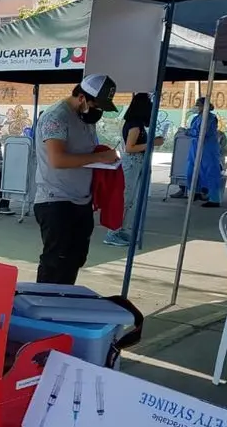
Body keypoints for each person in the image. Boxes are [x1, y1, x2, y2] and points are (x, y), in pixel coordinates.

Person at [33, 74, 120, 285]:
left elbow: (84, 152)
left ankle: (65, 298)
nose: (98, 111)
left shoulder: (85, 118)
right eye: (95, 105)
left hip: (81, 199)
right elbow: (57, 159)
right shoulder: (56, 117)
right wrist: (100, 158)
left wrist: (104, 158)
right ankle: (44, 302)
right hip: (56, 200)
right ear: (82, 97)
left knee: (75, 259)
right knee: (56, 262)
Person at [103, 93, 164, 246]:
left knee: (129, 200)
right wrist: (152, 142)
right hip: (132, 163)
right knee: (125, 199)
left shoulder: (136, 124)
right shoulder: (135, 125)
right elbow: (130, 148)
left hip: (136, 163)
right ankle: (112, 232)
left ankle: (120, 229)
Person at [186, 97, 224, 209]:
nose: (196, 107)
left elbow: (202, 132)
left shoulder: (210, 118)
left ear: (204, 106)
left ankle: (214, 199)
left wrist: (188, 132)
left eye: (198, 105)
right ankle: (195, 192)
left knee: (210, 172)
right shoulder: (197, 117)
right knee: (192, 170)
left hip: (207, 149)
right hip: (195, 147)